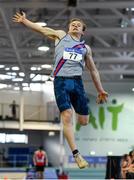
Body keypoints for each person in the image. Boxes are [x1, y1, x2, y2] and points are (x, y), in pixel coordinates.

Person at [13, 12, 108, 169]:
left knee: (84, 121)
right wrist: (25, 21)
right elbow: (42, 30)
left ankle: (78, 131)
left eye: (78, 25)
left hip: (77, 83)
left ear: (83, 31)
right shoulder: (61, 36)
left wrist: (100, 90)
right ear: (69, 28)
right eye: (73, 24)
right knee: (67, 115)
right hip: (61, 81)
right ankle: (76, 154)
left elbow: (93, 70)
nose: (75, 25)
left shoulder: (86, 48)